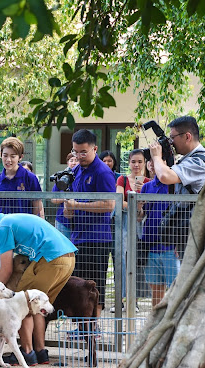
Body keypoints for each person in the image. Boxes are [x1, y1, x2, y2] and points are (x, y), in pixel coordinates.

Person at [0, 206, 76, 365]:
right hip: (68, 258)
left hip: (50, 258)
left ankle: (27, 352)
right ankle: (40, 352)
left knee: (22, 303)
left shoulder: (3, 228)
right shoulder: (12, 219)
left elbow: (6, 270)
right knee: (36, 305)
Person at [63, 129, 116, 319]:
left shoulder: (103, 172)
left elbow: (109, 205)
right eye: (76, 152)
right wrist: (69, 209)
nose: (79, 156)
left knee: (96, 285)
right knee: (79, 284)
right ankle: (82, 325)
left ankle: (94, 326)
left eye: (83, 152)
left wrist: (77, 205)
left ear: (95, 148)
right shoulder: (75, 171)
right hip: (77, 237)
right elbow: (69, 203)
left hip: (97, 239)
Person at [148, 116, 205, 258]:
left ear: (187, 136)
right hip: (189, 232)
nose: (170, 143)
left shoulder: (199, 161)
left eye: (172, 138)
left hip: (199, 233)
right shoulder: (188, 160)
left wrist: (156, 156)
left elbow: (165, 177)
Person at [137, 160, 180, 307]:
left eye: (158, 160)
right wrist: (138, 206)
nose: (153, 164)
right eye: (151, 161)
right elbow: (140, 217)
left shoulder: (175, 185)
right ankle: (155, 323)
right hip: (151, 246)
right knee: (156, 289)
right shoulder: (147, 187)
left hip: (171, 247)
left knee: (176, 289)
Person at [113, 149, 150, 312]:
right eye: (133, 161)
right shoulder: (122, 179)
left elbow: (146, 209)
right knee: (121, 260)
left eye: (140, 161)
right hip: (124, 226)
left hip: (141, 226)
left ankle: (133, 300)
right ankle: (119, 300)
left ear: (144, 163)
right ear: (128, 163)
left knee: (136, 262)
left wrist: (138, 208)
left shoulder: (149, 181)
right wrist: (136, 204)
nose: (136, 165)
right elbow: (119, 202)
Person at [0, 137, 43, 217]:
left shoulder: (30, 178)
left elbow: (37, 206)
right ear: (1, 155)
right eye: (5, 156)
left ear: (20, 157)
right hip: (4, 224)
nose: (8, 160)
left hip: (24, 224)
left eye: (13, 156)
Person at [51, 152, 78, 240]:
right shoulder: (62, 177)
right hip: (62, 220)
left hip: (79, 220)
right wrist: (67, 198)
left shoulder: (81, 176)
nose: (74, 163)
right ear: (67, 163)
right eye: (71, 160)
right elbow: (53, 199)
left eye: (76, 160)